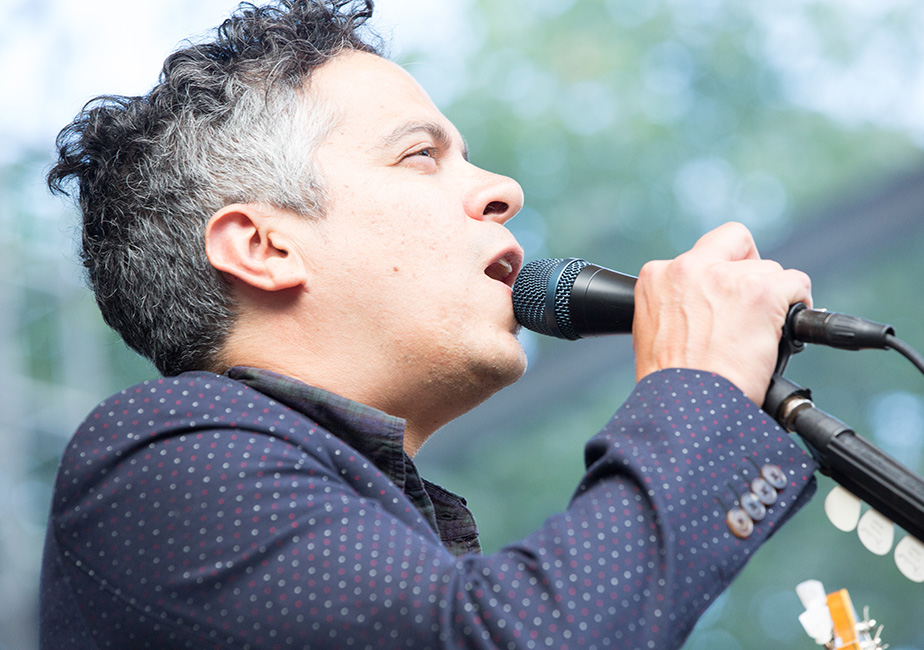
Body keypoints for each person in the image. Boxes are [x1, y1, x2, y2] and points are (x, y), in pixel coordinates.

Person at [40, 1, 817, 648]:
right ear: (264, 246)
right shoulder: (155, 454)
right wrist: (699, 387)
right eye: (420, 156)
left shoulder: (363, 529)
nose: (503, 190)